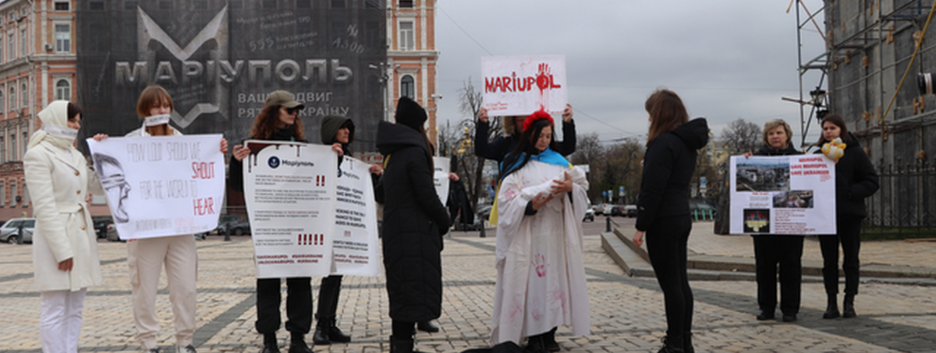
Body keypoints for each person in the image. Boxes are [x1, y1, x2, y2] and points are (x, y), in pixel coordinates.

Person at [116, 85, 227, 353]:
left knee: (186, 287)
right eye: (156, 106)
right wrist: (101, 149)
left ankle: (185, 341)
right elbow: (110, 181)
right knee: (144, 289)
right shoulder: (130, 142)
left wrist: (216, 154)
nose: (162, 111)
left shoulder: (183, 142)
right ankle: (149, 343)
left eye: (165, 105)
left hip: (180, 229)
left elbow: (202, 176)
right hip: (146, 230)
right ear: (145, 110)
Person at [490, 110, 590, 352]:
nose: (545, 140)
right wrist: (529, 206)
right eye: (540, 135)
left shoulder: (559, 160)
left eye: (548, 135)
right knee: (531, 285)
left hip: (554, 235)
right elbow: (505, 201)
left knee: (554, 284)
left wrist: (570, 188)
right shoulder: (515, 162)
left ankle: (550, 332)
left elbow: (582, 188)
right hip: (528, 237)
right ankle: (533, 335)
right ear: (529, 134)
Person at [230, 90, 315, 353]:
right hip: (269, 226)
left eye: (295, 110)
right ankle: (269, 339)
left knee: (301, 281)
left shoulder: (303, 145)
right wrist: (235, 162)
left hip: (298, 223)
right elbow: (237, 185)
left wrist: (331, 158)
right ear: (272, 111)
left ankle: (298, 338)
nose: (294, 113)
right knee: (268, 281)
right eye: (288, 109)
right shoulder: (253, 145)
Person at [24, 101, 105, 353]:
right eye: (72, 121)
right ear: (58, 119)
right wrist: (62, 250)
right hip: (56, 236)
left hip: (81, 232)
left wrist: (101, 156)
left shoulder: (76, 154)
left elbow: (97, 187)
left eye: (78, 121)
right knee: (54, 307)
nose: (77, 126)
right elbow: (44, 206)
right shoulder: (38, 154)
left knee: (75, 308)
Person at [632, 89, 708, 353]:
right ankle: (684, 341)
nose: (649, 119)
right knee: (681, 282)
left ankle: (674, 342)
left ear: (659, 114)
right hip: (680, 215)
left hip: (664, 218)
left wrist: (641, 225)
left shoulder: (663, 143)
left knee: (671, 285)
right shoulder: (684, 142)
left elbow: (653, 190)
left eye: (651, 114)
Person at [376, 97, 450, 353]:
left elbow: (382, 194)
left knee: (402, 294)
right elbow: (426, 194)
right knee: (412, 292)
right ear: (418, 126)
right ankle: (403, 348)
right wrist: (444, 220)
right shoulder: (416, 150)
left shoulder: (393, 153)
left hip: (397, 232)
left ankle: (401, 345)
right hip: (414, 234)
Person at [815, 114, 879, 319]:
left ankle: (849, 300)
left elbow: (871, 181)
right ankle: (831, 302)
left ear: (841, 130)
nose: (828, 132)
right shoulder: (818, 155)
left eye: (832, 128)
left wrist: (851, 192)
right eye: (825, 128)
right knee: (829, 261)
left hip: (850, 214)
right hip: (825, 216)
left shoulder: (855, 153)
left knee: (851, 259)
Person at [743, 119, 804, 323]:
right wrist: (745, 162)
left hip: (791, 223)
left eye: (778, 132)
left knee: (791, 267)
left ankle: (790, 309)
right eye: (771, 134)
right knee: (764, 268)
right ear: (766, 137)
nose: (775, 136)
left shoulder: (800, 158)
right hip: (763, 222)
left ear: (787, 135)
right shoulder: (756, 158)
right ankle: (766, 308)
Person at [310, 114, 356, 346]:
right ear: (331, 132)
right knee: (329, 275)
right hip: (325, 223)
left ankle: (329, 323)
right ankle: (321, 326)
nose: (347, 131)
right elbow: (322, 181)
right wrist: (336, 160)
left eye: (349, 128)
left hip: (342, 223)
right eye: (342, 128)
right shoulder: (324, 155)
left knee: (336, 275)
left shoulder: (348, 156)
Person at [475, 103, 575, 162]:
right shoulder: (505, 144)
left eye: (528, 119)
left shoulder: (542, 143)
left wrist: (567, 122)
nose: (525, 123)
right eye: (520, 120)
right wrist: (483, 124)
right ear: (512, 122)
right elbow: (481, 150)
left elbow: (568, 147)